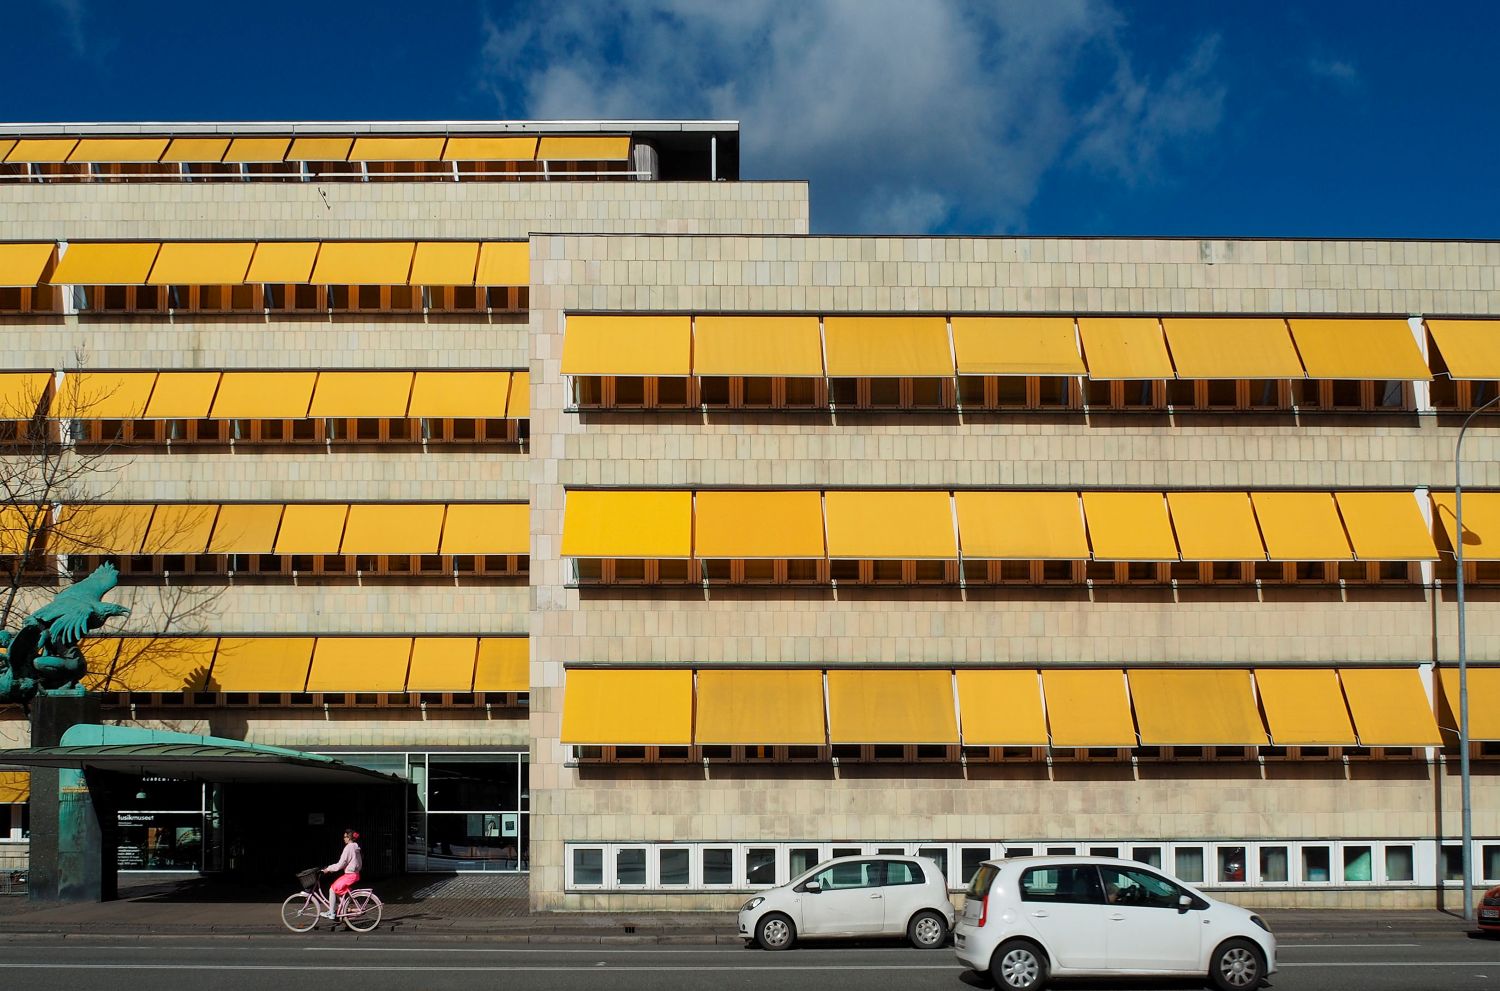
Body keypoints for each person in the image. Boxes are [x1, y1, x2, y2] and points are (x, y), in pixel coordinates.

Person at [321, 828, 363, 919]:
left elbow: (341, 863)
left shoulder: (348, 848)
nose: (344, 839)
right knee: (338, 890)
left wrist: (328, 869)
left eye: (345, 837)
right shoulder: (355, 847)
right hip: (354, 874)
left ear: (349, 838)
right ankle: (344, 908)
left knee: (332, 889)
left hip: (350, 875)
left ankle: (331, 913)